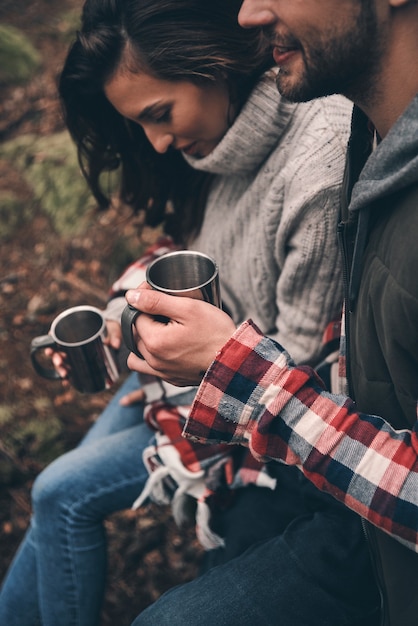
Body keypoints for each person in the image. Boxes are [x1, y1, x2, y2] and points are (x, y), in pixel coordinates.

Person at [0, 0, 361, 624]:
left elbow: (300, 358)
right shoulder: (224, 146)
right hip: (186, 373)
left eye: (159, 115)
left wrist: (181, 390)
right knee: (54, 491)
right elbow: (195, 255)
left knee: (62, 491)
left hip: (239, 402)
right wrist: (122, 316)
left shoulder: (318, 158)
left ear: (212, 62)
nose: (159, 143)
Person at [122, 0, 418, 625]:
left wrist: (247, 381)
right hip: (347, 505)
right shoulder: (372, 141)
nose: (248, 13)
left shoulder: (335, 146)